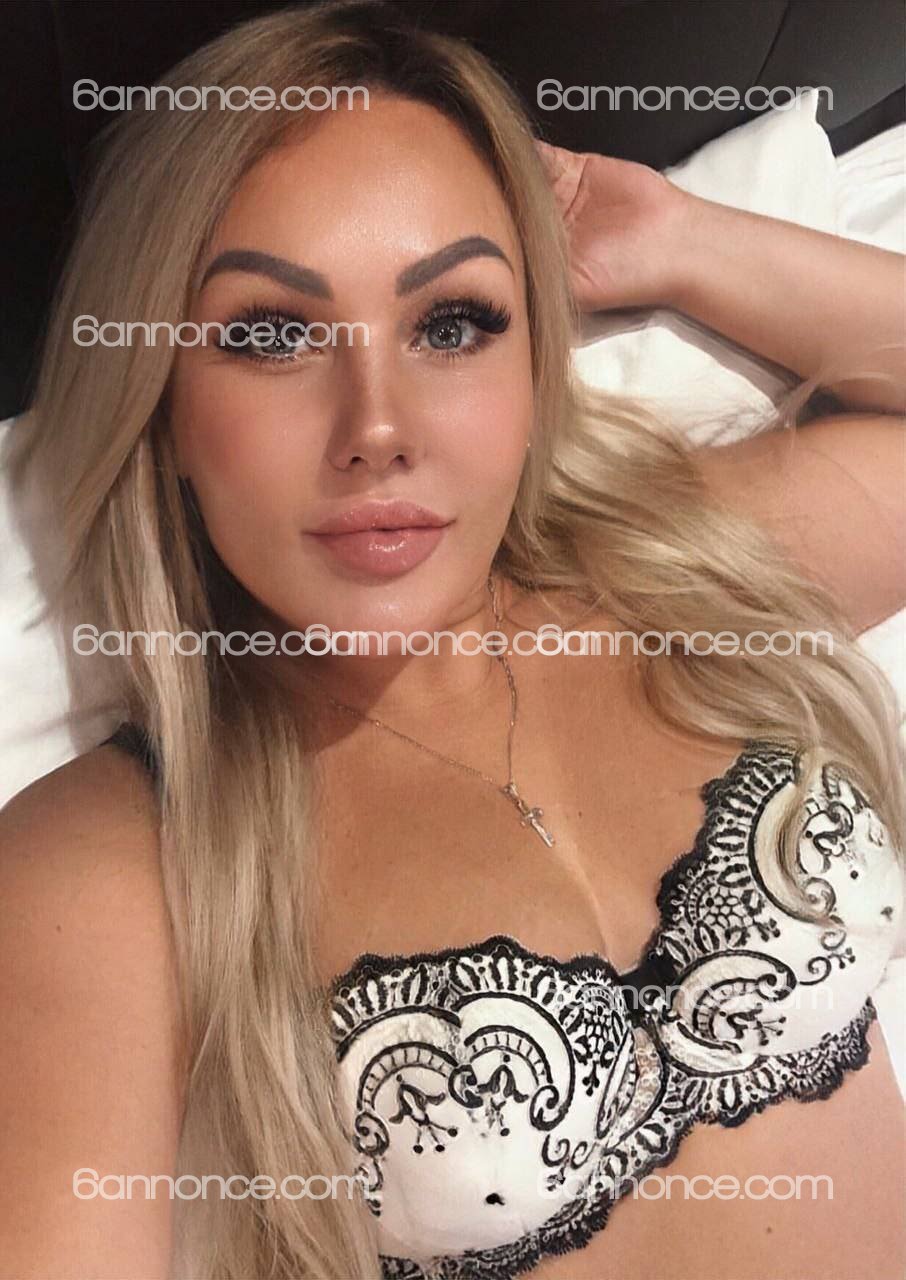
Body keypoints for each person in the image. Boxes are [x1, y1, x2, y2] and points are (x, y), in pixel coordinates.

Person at [1, 2, 904, 1277]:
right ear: (163, 407)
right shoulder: (108, 864)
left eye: (453, 322)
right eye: (269, 335)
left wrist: (680, 240)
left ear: (535, 365)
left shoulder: (676, 575)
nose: (378, 427)